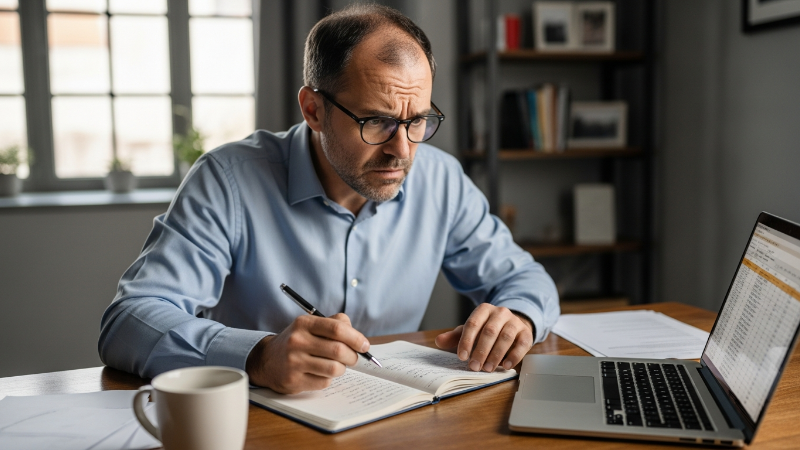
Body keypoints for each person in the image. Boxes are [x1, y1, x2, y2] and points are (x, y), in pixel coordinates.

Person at [98, 4, 559, 394]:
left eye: (418, 120)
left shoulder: (442, 180)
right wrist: (257, 355)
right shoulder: (228, 180)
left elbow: (525, 278)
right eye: (376, 121)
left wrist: (517, 316)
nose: (403, 150)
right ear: (313, 109)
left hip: (395, 419)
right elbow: (129, 322)